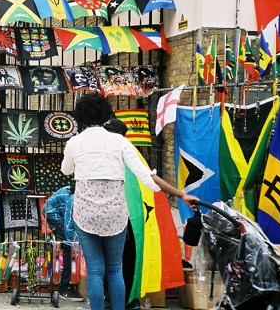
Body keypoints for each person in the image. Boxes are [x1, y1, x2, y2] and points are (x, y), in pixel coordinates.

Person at [61, 93, 198, 310]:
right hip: (115, 213)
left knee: (96, 271)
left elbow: (66, 170)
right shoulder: (119, 141)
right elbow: (147, 176)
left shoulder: (74, 142)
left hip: (85, 212)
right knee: (115, 268)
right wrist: (181, 194)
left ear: (81, 117)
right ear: (106, 115)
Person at [42, 183, 84, 302]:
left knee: (73, 245)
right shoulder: (73, 199)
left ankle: (69, 283)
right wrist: (76, 243)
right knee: (68, 247)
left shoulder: (79, 196)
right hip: (53, 213)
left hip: (59, 211)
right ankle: (64, 288)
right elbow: (69, 226)